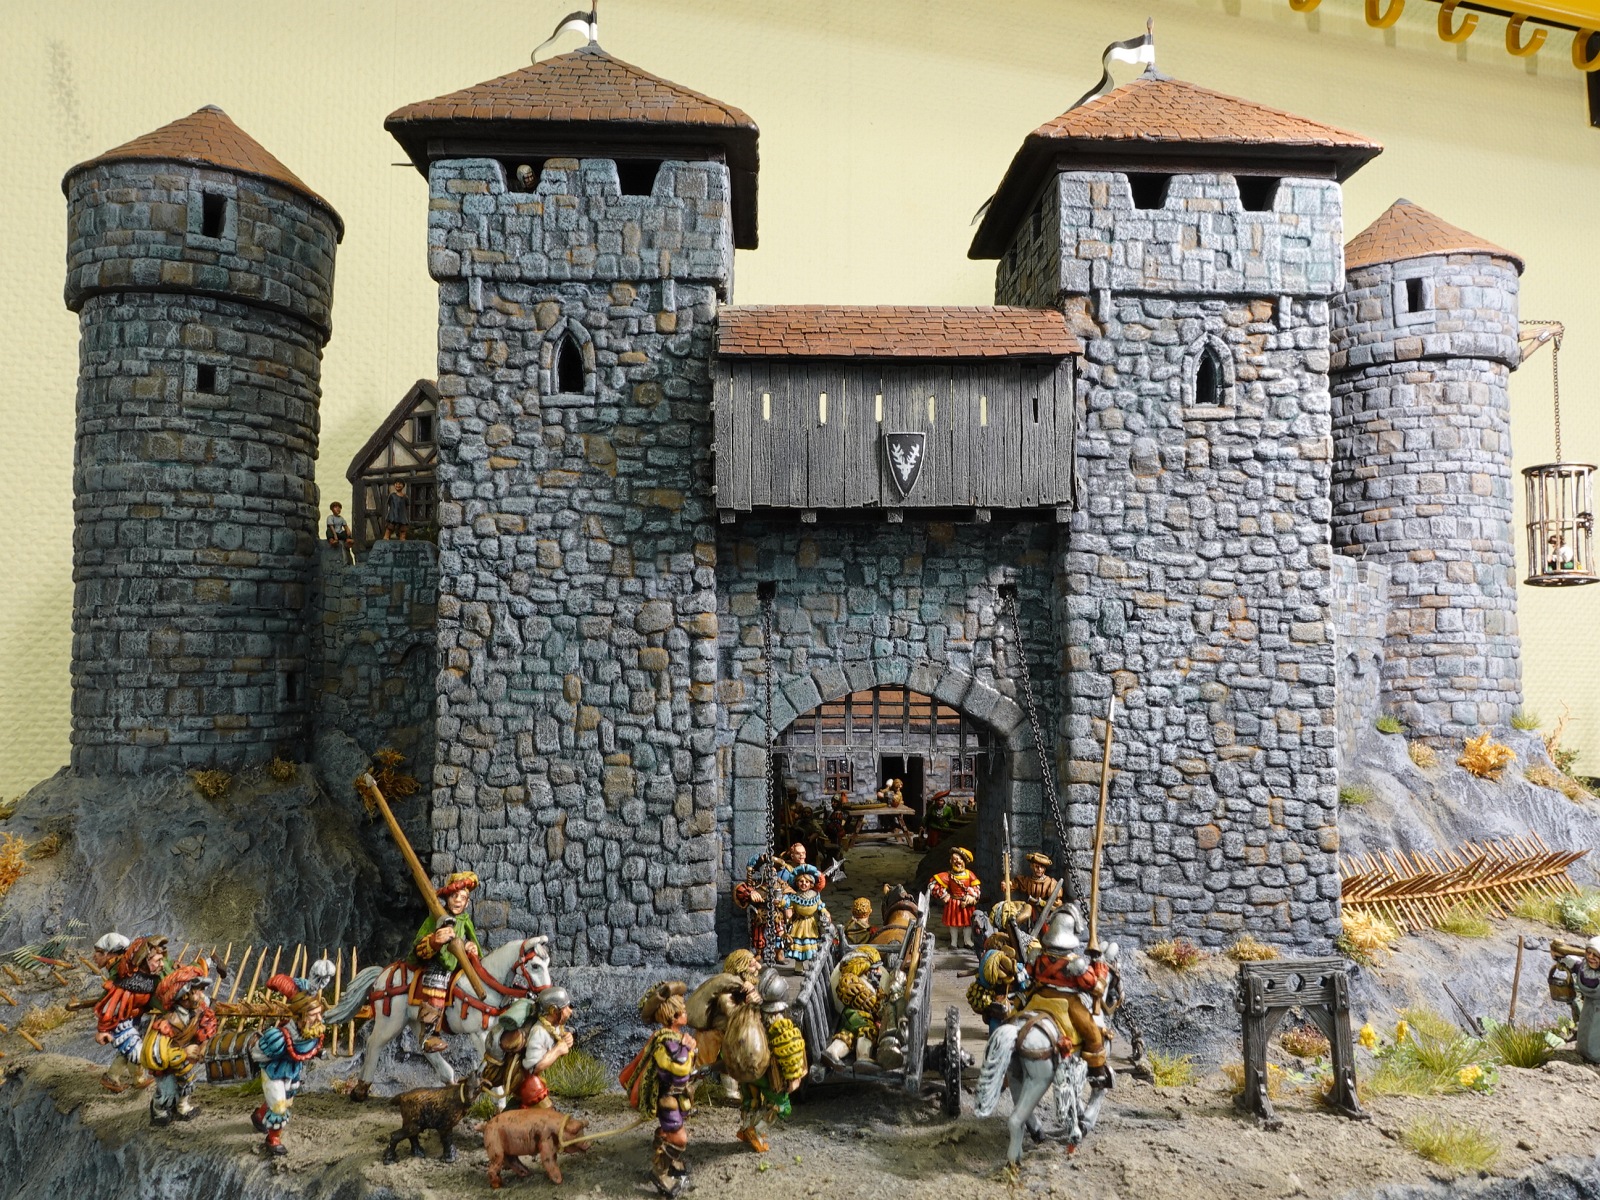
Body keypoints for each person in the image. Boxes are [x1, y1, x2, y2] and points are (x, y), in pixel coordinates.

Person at [1020, 906, 1111, 1084]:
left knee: (1014, 1014)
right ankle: (1097, 1073)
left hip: (1038, 997)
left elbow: (1028, 974)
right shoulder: (1077, 964)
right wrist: (1100, 969)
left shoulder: (1036, 955)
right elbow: (1097, 989)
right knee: (1093, 1035)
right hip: (1067, 1002)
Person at [621, 987, 698, 1197]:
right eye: (683, 1009)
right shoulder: (666, 1042)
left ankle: (670, 1163)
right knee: (679, 1139)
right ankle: (660, 1171)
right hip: (667, 1098)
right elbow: (679, 1071)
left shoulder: (675, 1037)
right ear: (673, 1015)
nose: (686, 1012)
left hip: (677, 1097)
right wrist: (688, 1049)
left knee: (667, 1132)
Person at [249, 972, 328, 1157]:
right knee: (279, 1107)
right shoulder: (278, 1037)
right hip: (274, 1071)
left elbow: (308, 1048)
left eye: (319, 1014)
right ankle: (273, 1140)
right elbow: (257, 1053)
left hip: (292, 1072)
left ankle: (259, 1116)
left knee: (285, 1100)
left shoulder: (311, 1032)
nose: (319, 1019)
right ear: (300, 1016)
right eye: (313, 1015)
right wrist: (274, 1060)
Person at [408, 871, 482, 1053]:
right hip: (440, 964)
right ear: (447, 898)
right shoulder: (434, 919)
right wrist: (435, 940)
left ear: (467, 903)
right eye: (454, 896)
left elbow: (472, 943)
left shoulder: (465, 921)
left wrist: (471, 948)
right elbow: (418, 947)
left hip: (459, 965)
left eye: (462, 898)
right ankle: (429, 1035)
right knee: (437, 983)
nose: (458, 901)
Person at [735, 969, 807, 1153]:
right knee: (780, 1106)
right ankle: (756, 1131)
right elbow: (789, 1051)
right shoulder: (779, 1023)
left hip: (748, 1070)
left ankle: (745, 1129)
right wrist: (794, 1078)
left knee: (752, 1100)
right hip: (768, 1073)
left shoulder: (751, 1013)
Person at [140, 963, 217, 1125]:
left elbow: (205, 1028)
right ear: (184, 995)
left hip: (184, 1064)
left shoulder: (197, 1014)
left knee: (186, 1085)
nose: (201, 995)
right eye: (196, 991)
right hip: (169, 1064)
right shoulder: (170, 1022)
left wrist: (202, 1044)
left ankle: (182, 1108)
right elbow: (154, 1052)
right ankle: (159, 1112)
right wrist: (183, 1053)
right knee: (167, 1092)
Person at [93, 934, 168, 1093]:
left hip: (133, 1020)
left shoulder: (147, 980)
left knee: (128, 1051)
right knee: (138, 1052)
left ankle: (116, 1078)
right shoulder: (127, 983)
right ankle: (133, 1079)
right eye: (158, 961)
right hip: (119, 1023)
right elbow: (111, 1005)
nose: (162, 964)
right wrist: (103, 1029)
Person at [512, 987, 575, 1109]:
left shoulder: (554, 1025)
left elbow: (558, 1034)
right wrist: (557, 1051)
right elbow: (532, 1067)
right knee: (547, 1113)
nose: (570, 1011)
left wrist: (567, 1037)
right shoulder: (539, 1032)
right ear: (553, 1011)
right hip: (529, 1084)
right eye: (566, 1008)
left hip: (537, 1081)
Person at [1555, 936, 1600, 1064]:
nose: (1590, 957)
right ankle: (1585, 1052)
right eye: (1589, 952)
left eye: (1595, 955)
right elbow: (1576, 965)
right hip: (1589, 1009)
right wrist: (1559, 955)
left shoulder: (1591, 975)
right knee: (1586, 1032)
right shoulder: (1585, 967)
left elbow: (1591, 983)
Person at [929, 847, 982, 949]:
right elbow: (933, 884)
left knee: (968, 923)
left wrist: (972, 896)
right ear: (951, 861)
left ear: (965, 861)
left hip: (966, 904)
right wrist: (944, 895)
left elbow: (976, 887)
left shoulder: (970, 875)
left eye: (960, 860)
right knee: (953, 923)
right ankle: (954, 942)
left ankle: (967, 941)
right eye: (954, 860)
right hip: (953, 903)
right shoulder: (948, 876)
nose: (958, 862)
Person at [781, 866, 831, 962]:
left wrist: (825, 912)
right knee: (798, 946)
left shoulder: (815, 895)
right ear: (797, 883)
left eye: (807, 882)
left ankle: (813, 965)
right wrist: (781, 900)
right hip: (798, 924)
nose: (804, 884)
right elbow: (787, 904)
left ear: (811, 884)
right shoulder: (794, 896)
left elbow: (821, 906)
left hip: (811, 924)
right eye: (801, 881)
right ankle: (799, 966)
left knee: (811, 946)